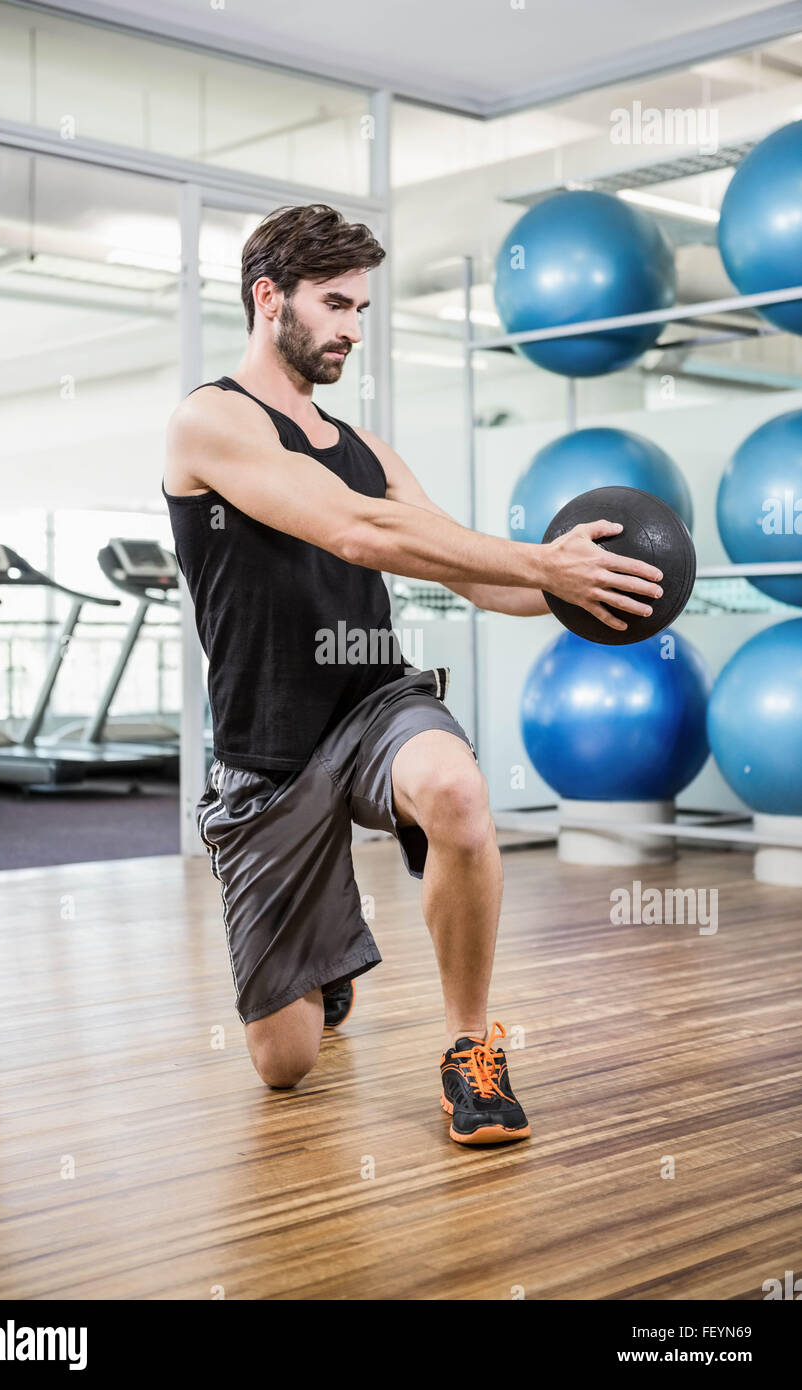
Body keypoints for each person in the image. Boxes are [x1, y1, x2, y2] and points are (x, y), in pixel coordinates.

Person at [163, 204, 663, 1145]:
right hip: (266, 749)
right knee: (287, 1065)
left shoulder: (368, 450)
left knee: (456, 791)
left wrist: (588, 593)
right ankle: (324, 963)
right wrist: (540, 563)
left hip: (373, 702)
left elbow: (466, 570)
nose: (353, 327)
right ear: (268, 299)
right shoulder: (211, 422)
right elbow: (359, 530)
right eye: (336, 304)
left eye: (361, 308)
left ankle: (469, 1048)